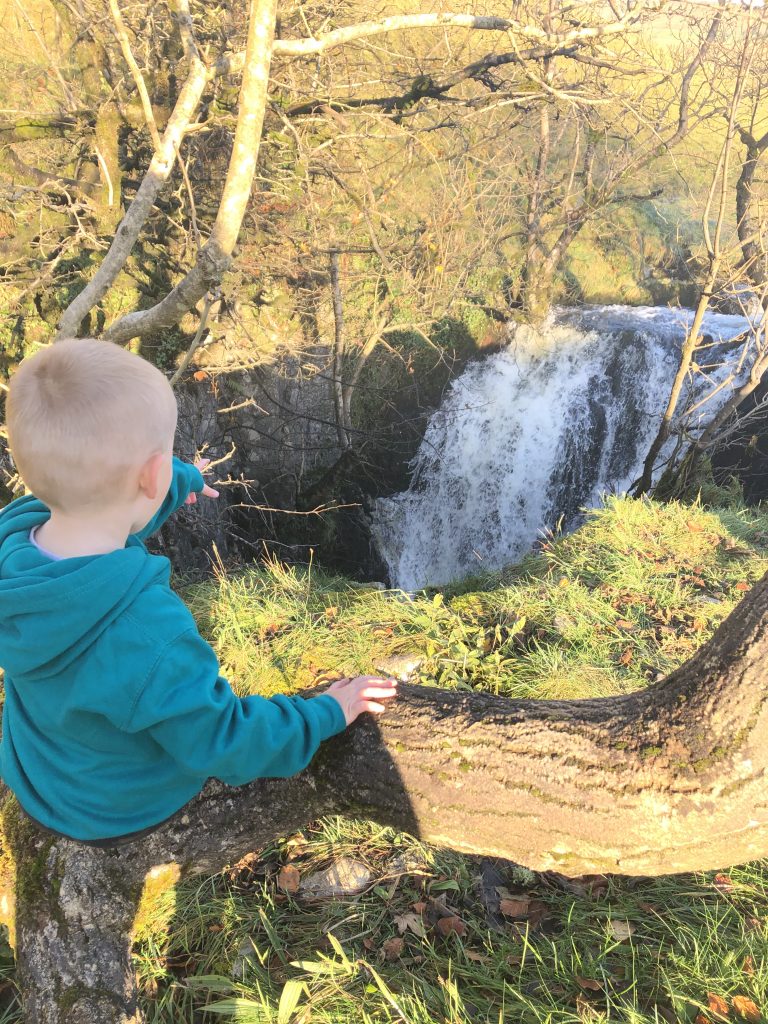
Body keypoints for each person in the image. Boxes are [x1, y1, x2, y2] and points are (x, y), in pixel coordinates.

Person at [0, 337, 397, 846]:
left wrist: (175, 478)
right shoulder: (145, 631)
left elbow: (105, 515)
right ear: (150, 474)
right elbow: (223, 740)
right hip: (113, 808)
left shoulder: (18, 541)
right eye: (165, 457)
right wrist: (326, 713)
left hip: (41, 776)